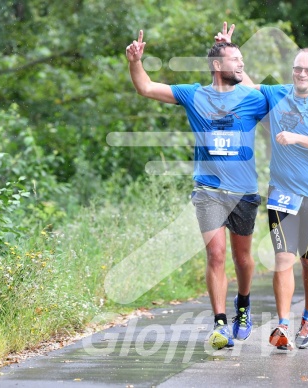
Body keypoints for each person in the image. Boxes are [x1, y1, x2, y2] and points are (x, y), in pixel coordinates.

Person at [126, 30, 268, 350]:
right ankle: (219, 325)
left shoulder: (251, 98)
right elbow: (146, 87)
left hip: (244, 190)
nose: (241, 65)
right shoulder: (194, 95)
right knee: (215, 254)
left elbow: (262, 91)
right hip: (209, 189)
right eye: (236, 61)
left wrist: (231, 53)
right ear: (217, 66)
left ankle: (243, 307)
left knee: (242, 258)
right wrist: (135, 62)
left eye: (242, 61)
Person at [215, 23, 308, 350]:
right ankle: (284, 325)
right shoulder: (278, 95)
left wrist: (299, 138)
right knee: (284, 259)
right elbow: (246, 86)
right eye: (297, 68)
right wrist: (230, 52)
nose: (302, 74)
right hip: (282, 193)